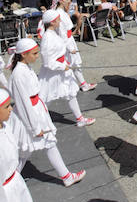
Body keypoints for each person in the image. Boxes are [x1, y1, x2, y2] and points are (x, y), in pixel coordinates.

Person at [8, 38, 85, 187]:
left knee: (43, 145)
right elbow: (23, 103)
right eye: (35, 53)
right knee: (25, 151)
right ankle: (11, 180)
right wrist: (34, 127)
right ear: (24, 54)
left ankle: (66, 176)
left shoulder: (25, 68)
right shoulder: (19, 74)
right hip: (31, 116)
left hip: (36, 111)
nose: (38, 56)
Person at [38, 11, 95, 127]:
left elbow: (60, 46)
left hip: (62, 69)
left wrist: (66, 58)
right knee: (45, 98)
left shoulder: (53, 33)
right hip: (52, 73)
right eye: (58, 19)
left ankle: (80, 119)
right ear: (52, 22)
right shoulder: (47, 38)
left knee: (70, 93)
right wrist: (62, 66)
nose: (60, 21)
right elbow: (47, 62)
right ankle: (36, 123)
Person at [52, 0, 96, 92]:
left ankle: (83, 84)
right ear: (62, 1)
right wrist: (70, 48)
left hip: (68, 41)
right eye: (67, 0)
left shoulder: (62, 13)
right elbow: (63, 34)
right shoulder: (60, 14)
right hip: (66, 43)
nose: (70, 2)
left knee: (74, 65)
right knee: (71, 65)